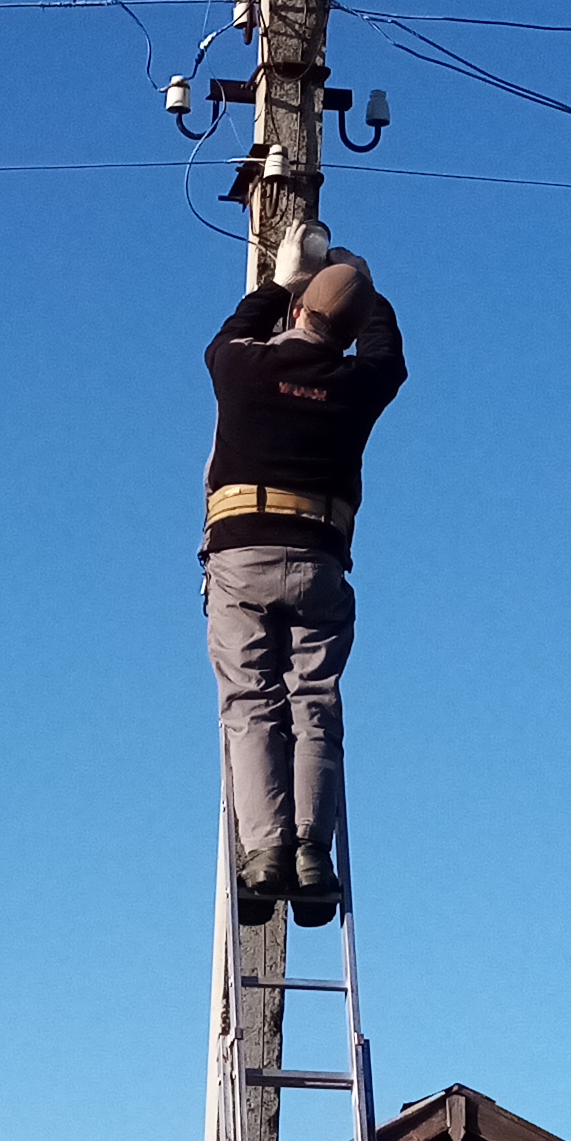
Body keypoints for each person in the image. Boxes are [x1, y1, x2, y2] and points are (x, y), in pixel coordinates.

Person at [204, 239, 406, 925]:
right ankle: (312, 855)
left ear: (296, 310)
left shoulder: (245, 369)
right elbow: (388, 360)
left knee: (251, 703)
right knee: (313, 701)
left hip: (241, 555)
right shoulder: (356, 387)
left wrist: (280, 277)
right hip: (319, 559)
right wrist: (367, 289)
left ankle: (264, 855)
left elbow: (227, 336)